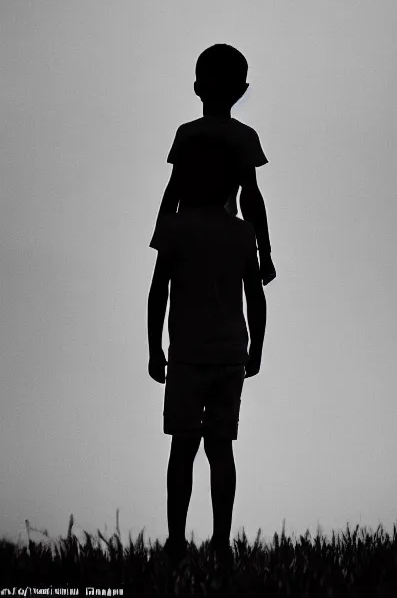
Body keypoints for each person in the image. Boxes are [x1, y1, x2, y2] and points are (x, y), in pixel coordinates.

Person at [147, 133, 267, 573]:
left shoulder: (175, 229)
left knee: (183, 449)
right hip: (229, 355)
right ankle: (221, 542)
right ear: (232, 187)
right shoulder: (242, 233)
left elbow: (158, 289)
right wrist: (257, 346)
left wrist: (153, 347)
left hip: (186, 355)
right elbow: (256, 295)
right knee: (221, 448)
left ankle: (176, 542)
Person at [150, 43, 276, 286]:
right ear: (242, 90)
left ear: (197, 87)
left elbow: (173, 189)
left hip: (186, 235)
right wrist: (265, 253)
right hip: (226, 236)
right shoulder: (243, 136)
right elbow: (251, 197)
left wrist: (162, 238)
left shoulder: (187, 133)